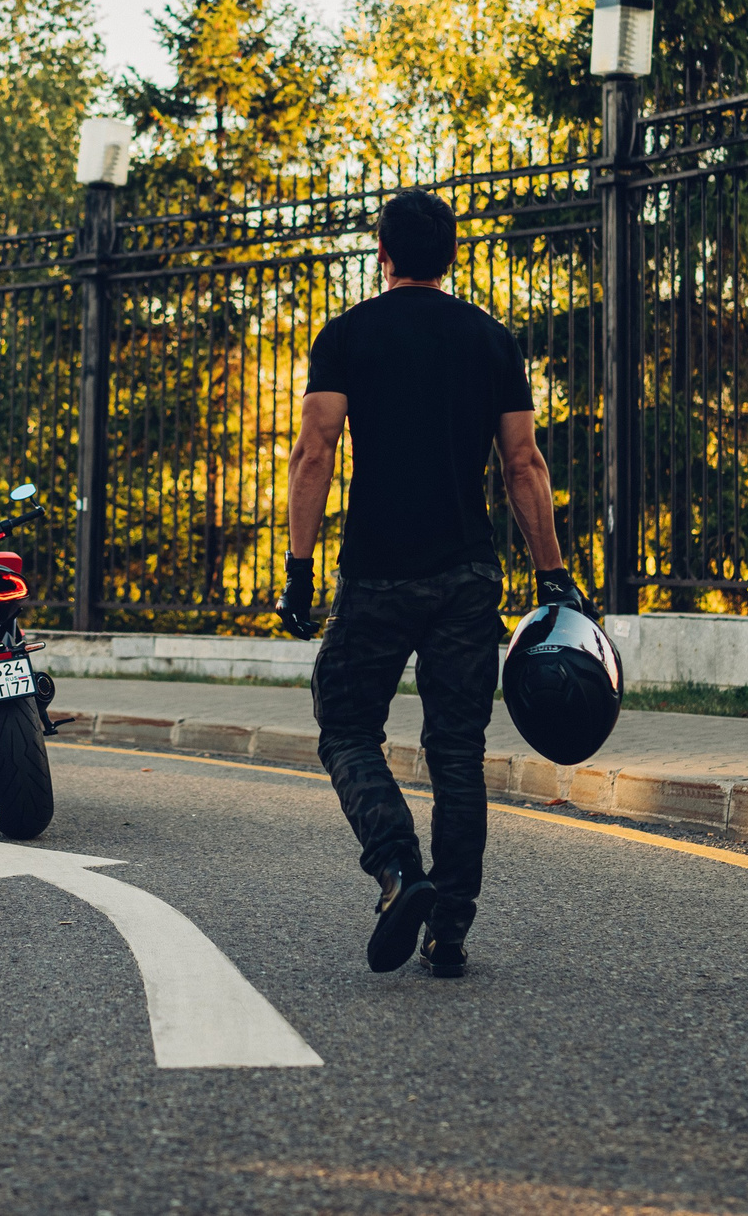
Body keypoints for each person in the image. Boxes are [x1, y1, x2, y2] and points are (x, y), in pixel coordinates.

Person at [277, 186, 587, 979]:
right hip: (466, 578)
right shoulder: (488, 341)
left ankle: (396, 871)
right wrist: (552, 575)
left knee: (345, 725)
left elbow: (315, 452)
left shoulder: (347, 336)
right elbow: (524, 464)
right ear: (450, 257)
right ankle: (449, 929)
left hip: (376, 572)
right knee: (457, 752)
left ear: (382, 254)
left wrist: (299, 568)